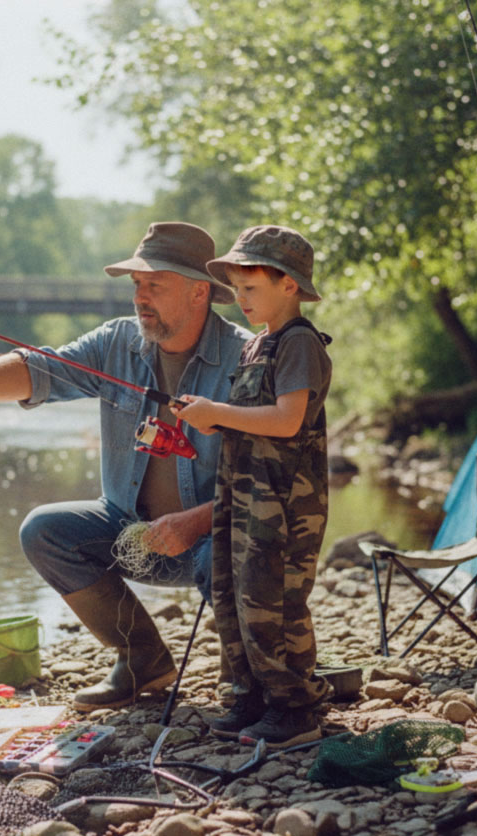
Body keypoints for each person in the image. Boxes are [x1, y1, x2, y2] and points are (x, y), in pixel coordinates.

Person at [0, 222, 252, 711]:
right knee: (44, 531)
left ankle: (245, 674)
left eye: (155, 284)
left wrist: (196, 522)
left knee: (229, 550)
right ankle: (142, 659)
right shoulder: (117, 342)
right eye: (136, 283)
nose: (140, 296)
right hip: (132, 535)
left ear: (199, 291)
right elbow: (37, 370)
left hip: (212, 540)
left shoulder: (246, 358)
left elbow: (266, 484)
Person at [171, 225, 332, 748]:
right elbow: (250, 420)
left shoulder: (299, 342)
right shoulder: (257, 344)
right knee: (232, 593)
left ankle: (295, 709)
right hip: (241, 497)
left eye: (250, 288)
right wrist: (207, 420)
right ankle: (250, 696)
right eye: (236, 288)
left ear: (289, 284)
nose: (239, 298)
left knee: (274, 601)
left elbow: (287, 419)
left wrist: (218, 411)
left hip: (283, 504)